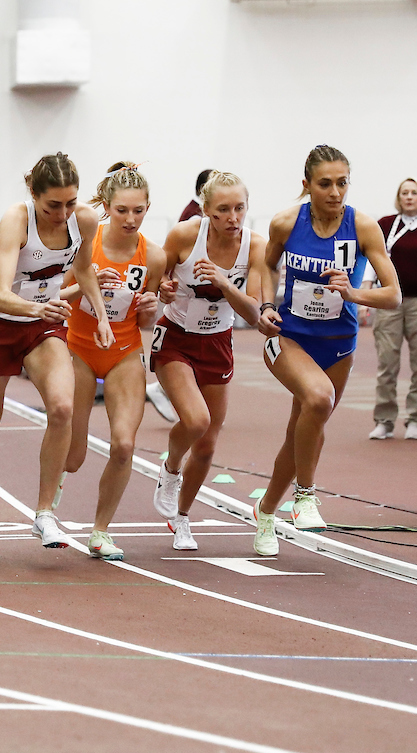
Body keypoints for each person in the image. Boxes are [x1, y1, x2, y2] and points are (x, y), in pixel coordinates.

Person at [0, 153, 114, 555]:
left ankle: (45, 512)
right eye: (53, 205)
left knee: (62, 409)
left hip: (43, 327)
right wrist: (39, 306)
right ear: (33, 194)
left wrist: (101, 314)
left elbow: (84, 270)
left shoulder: (83, 220)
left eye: (70, 203)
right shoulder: (16, 220)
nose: (62, 213)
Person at [250, 145, 400, 553]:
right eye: (325, 183)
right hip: (289, 338)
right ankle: (305, 496)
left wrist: (354, 293)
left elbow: (394, 296)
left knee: (300, 434)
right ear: (307, 186)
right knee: (319, 399)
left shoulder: (364, 227)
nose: (335, 192)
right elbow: (265, 265)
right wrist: (265, 305)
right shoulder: (285, 223)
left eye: (342, 183)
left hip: (338, 346)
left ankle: (264, 513)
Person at [153, 171, 266, 550]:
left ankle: (182, 518)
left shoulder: (256, 246)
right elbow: (157, 277)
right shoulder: (186, 235)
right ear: (206, 211)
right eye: (223, 210)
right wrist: (164, 289)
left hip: (218, 341)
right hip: (176, 339)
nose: (233, 217)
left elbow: (254, 312)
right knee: (196, 420)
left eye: (240, 208)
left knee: (208, 444)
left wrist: (225, 282)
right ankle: (170, 470)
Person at [61, 162, 163, 561]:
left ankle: (100, 531)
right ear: (106, 206)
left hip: (123, 354)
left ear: (148, 208)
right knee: (74, 456)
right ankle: (49, 501)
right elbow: (58, 294)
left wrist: (152, 307)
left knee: (123, 445)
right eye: (122, 210)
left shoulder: (153, 256)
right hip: (78, 349)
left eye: (138, 210)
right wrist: (86, 286)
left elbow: (146, 320)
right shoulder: (86, 242)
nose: (131, 218)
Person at [369, 178, 417, 441]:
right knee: (387, 363)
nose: (409, 197)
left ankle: (415, 419)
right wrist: (368, 288)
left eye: (414, 193)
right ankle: (384, 420)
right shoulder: (385, 225)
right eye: (405, 192)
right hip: (390, 301)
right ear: (399, 197)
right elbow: (373, 257)